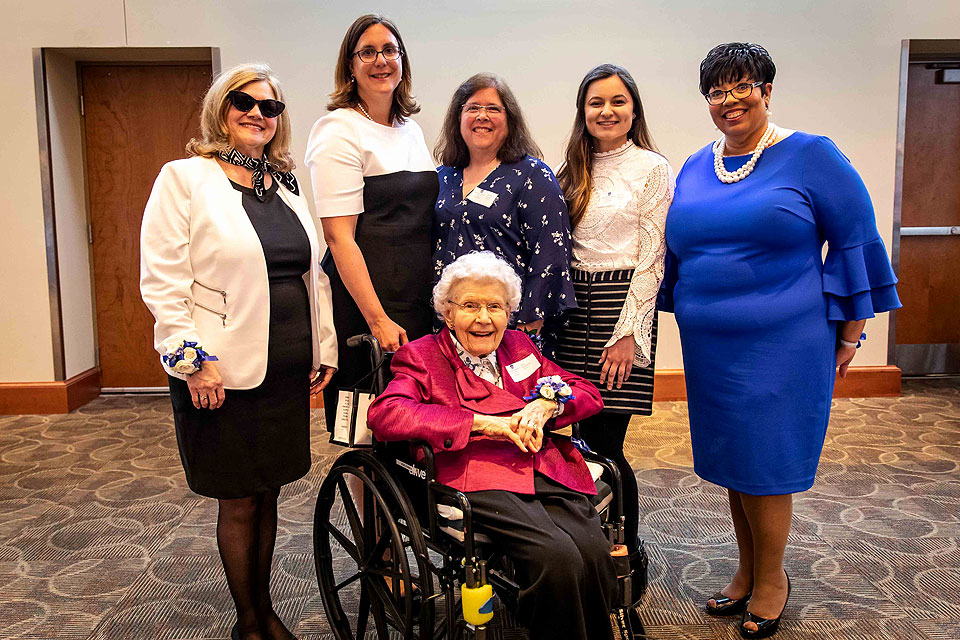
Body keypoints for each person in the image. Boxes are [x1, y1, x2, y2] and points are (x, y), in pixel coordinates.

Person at [660, 43, 901, 639]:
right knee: (735, 461)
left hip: (784, 343)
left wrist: (851, 333)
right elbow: (681, 248)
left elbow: (855, 242)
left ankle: (772, 580)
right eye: (716, 92)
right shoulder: (696, 164)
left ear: (766, 90)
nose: (728, 100)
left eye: (741, 87)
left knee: (767, 461)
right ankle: (745, 571)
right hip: (711, 346)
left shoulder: (811, 156)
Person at [140, 63, 337, 640]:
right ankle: (249, 622)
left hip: (284, 365)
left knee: (270, 488)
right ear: (220, 110)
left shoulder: (285, 183)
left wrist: (320, 347)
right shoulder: (185, 178)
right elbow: (163, 279)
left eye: (269, 107)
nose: (257, 114)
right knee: (239, 497)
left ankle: (265, 605)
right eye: (243, 103)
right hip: (219, 368)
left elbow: (312, 276)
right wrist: (190, 360)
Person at [367, 251, 616, 640]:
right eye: (470, 305)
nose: (484, 318)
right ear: (447, 314)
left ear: (509, 313)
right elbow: (386, 414)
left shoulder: (518, 346)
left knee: (594, 551)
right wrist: (482, 423)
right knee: (556, 556)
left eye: (495, 307)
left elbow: (586, 392)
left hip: (540, 464)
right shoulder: (422, 356)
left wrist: (547, 405)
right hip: (475, 475)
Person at [555, 61, 673, 614]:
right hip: (569, 310)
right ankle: (580, 547)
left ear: (634, 109)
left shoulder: (653, 168)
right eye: (596, 102)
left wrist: (629, 334)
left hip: (620, 310)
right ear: (583, 112)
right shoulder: (569, 169)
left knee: (605, 444)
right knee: (567, 439)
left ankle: (625, 554)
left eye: (617, 101)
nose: (606, 111)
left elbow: (653, 258)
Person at [305, 14, 437, 430]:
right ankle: (366, 500)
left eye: (389, 50)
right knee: (366, 427)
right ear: (350, 65)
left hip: (414, 300)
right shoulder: (337, 130)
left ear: (403, 60)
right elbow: (338, 237)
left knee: (411, 421)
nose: (380, 61)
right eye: (367, 52)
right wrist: (377, 319)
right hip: (367, 305)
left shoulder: (410, 129)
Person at [433, 73, 577, 360]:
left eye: (493, 109)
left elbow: (552, 250)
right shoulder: (443, 177)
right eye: (472, 108)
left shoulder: (533, 175)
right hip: (452, 323)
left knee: (510, 401)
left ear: (509, 119)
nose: (482, 116)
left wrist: (531, 317)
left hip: (511, 326)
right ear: (458, 119)